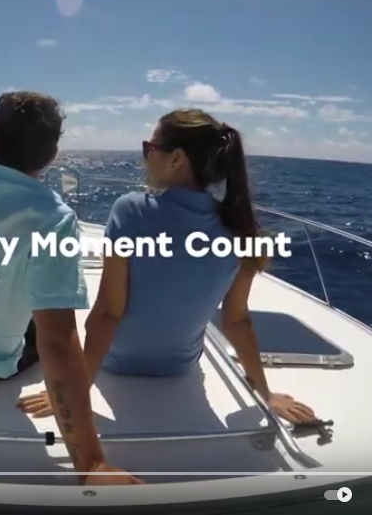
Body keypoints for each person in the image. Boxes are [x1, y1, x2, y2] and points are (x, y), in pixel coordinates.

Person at [18, 108, 317, 425]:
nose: (145, 157)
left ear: (175, 159)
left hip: (116, 363)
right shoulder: (240, 228)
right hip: (178, 367)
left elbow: (108, 313)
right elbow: (236, 320)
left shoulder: (131, 211)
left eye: (150, 148)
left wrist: (74, 395)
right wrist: (265, 394)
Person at [0, 90, 143, 485]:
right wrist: (92, 463)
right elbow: (56, 340)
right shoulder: (53, 218)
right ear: (51, 157)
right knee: (50, 312)